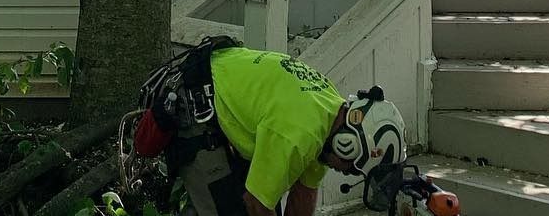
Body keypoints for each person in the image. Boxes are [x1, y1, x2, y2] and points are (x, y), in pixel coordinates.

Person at [132, 42, 406, 216]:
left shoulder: (330, 117)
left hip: (228, 99)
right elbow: (257, 203)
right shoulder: (298, 134)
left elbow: (304, 191)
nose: (346, 171)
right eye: (352, 167)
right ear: (350, 142)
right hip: (196, 106)